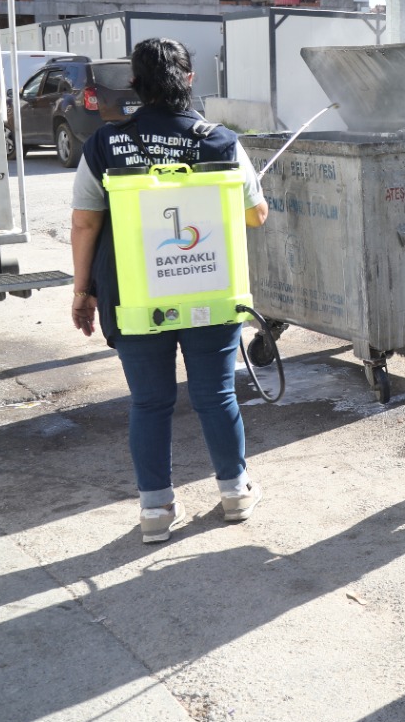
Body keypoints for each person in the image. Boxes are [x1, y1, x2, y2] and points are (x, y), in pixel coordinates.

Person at [69, 38, 269, 543]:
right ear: (189, 80)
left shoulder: (105, 144)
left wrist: (82, 291)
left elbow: (85, 225)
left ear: (135, 84)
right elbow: (255, 215)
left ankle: (155, 512)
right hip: (209, 290)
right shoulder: (220, 141)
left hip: (137, 300)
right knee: (215, 394)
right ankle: (234, 493)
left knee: (150, 402)